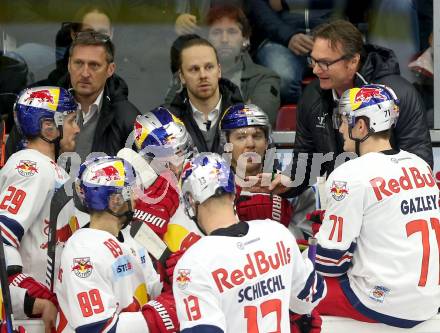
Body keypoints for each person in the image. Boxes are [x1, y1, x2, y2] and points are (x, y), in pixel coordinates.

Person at [314, 84, 440, 328]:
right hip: (430, 300)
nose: (340, 128)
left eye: (343, 120)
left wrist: (316, 242)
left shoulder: (348, 175)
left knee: (291, 285)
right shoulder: (421, 165)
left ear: (361, 126)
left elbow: (329, 263)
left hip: (381, 302)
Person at [268, 19, 433, 198]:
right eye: (313, 61)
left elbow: (418, 165)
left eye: (324, 63)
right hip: (343, 202)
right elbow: (307, 162)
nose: (315, 70)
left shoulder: (398, 94)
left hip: (390, 203)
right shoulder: (312, 96)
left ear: (353, 61)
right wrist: (287, 181)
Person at [173, 152, 326, 332]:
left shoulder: (193, 263)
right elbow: (310, 298)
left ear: (191, 201)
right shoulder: (277, 233)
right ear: (232, 194)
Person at [56, 156, 178, 332]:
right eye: (132, 190)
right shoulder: (82, 252)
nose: (137, 196)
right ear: (115, 200)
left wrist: (174, 282)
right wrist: (160, 316)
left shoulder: (133, 236)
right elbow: (97, 328)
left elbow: (151, 290)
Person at [0, 86, 80, 331]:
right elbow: (2, 236)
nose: (76, 128)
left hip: (48, 314)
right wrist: (30, 298)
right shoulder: (32, 168)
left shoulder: (50, 169)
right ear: (48, 126)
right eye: (71, 120)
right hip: (31, 319)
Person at [6, 30, 140, 162]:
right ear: (69, 64)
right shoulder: (38, 106)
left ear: (110, 69)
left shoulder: (128, 119)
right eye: (79, 63)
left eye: (94, 65)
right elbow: (12, 166)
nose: (85, 73)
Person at [166, 5, 280, 125]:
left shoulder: (264, 78)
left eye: (231, 31)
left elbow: (256, 123)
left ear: (245, 38)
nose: (224, 39)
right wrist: (241, 109)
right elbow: (168, 124)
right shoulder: (186, 74)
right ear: (206, 40)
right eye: (216, 32)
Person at [219, 103, 295, 229]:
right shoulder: (215, 190)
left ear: (266, 142)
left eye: (257, 136)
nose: (250, 144)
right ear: (227, 145)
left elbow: (307, 240)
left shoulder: (288, 186)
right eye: (241, 137)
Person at [248, 0, 339, 104]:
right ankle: (303, 115)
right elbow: (257, 7)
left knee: (348, 70)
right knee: (283, 80)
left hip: (333, 36)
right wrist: (288, 36)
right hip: (279, 39)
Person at [165, 37, 243, 154]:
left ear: (219, 70)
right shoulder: (165, 124)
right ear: (182, 76)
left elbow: (270, 167)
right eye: (194, 69)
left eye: (209, 67)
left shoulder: (246, 118)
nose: (203, 75)